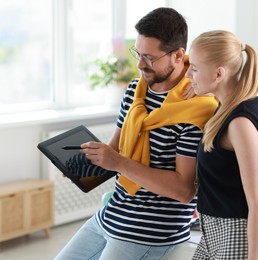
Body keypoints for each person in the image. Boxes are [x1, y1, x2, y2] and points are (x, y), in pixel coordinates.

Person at [55, 8, 217, 260]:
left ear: (178, 55)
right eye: (138, 54)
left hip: (150, 231)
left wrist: (118, 162)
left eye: (150, 58)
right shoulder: (134, 91)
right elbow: (114, 152)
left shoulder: (196, 108)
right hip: (111, 215)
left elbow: (184, 191)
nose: (140, 64)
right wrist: (84, 164)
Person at [185, 30, 258, 260]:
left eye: (195, 69)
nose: (188, 74)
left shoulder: (239, 123)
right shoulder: (225, 108)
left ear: (219, 74)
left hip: (237, 239)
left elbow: (257, 203)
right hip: (215, 236)